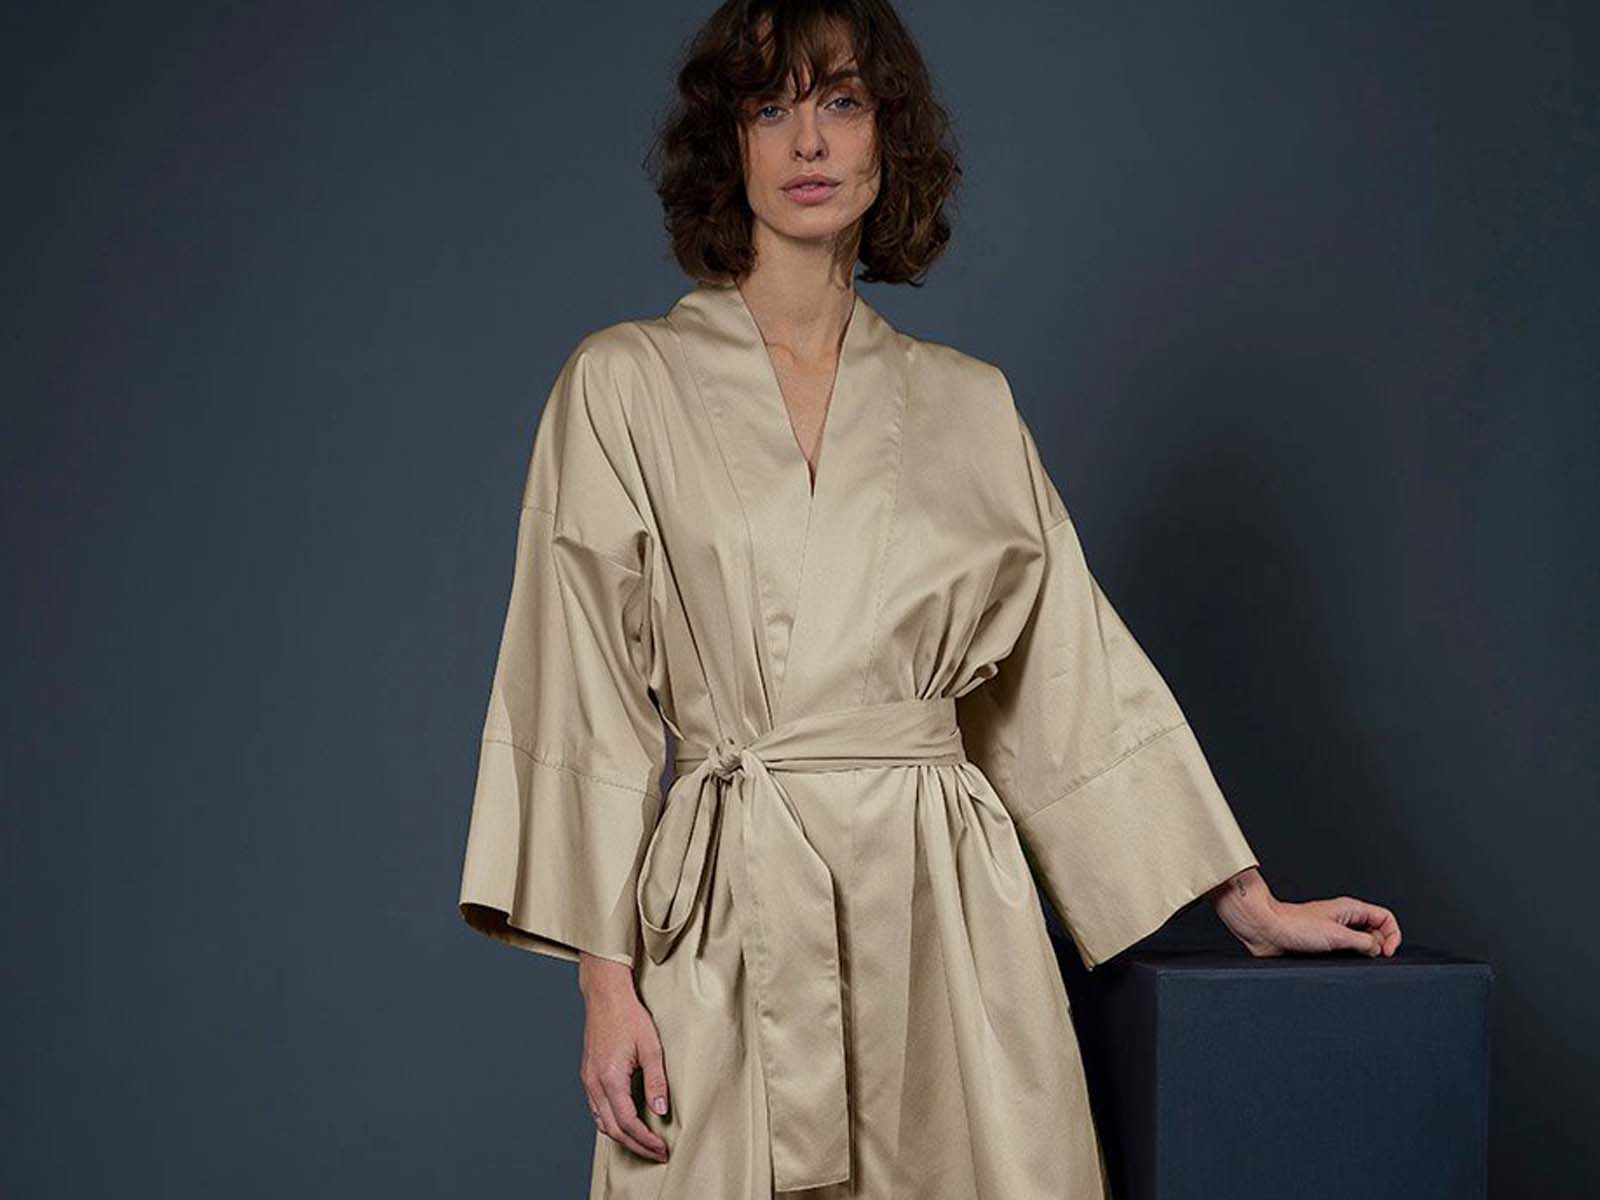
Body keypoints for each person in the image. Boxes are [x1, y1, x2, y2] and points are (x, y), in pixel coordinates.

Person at [456, 2, 1402, 1197]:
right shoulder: (621, 386)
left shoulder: (969, 405)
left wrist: (1247, 905)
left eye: (841, 103)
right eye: (769, 107)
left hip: (944, 922)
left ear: (886, 137)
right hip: (727, 916)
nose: (807, 141)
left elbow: (1069, 678)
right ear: (726, 143)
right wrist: (605, 985)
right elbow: (579, 692)